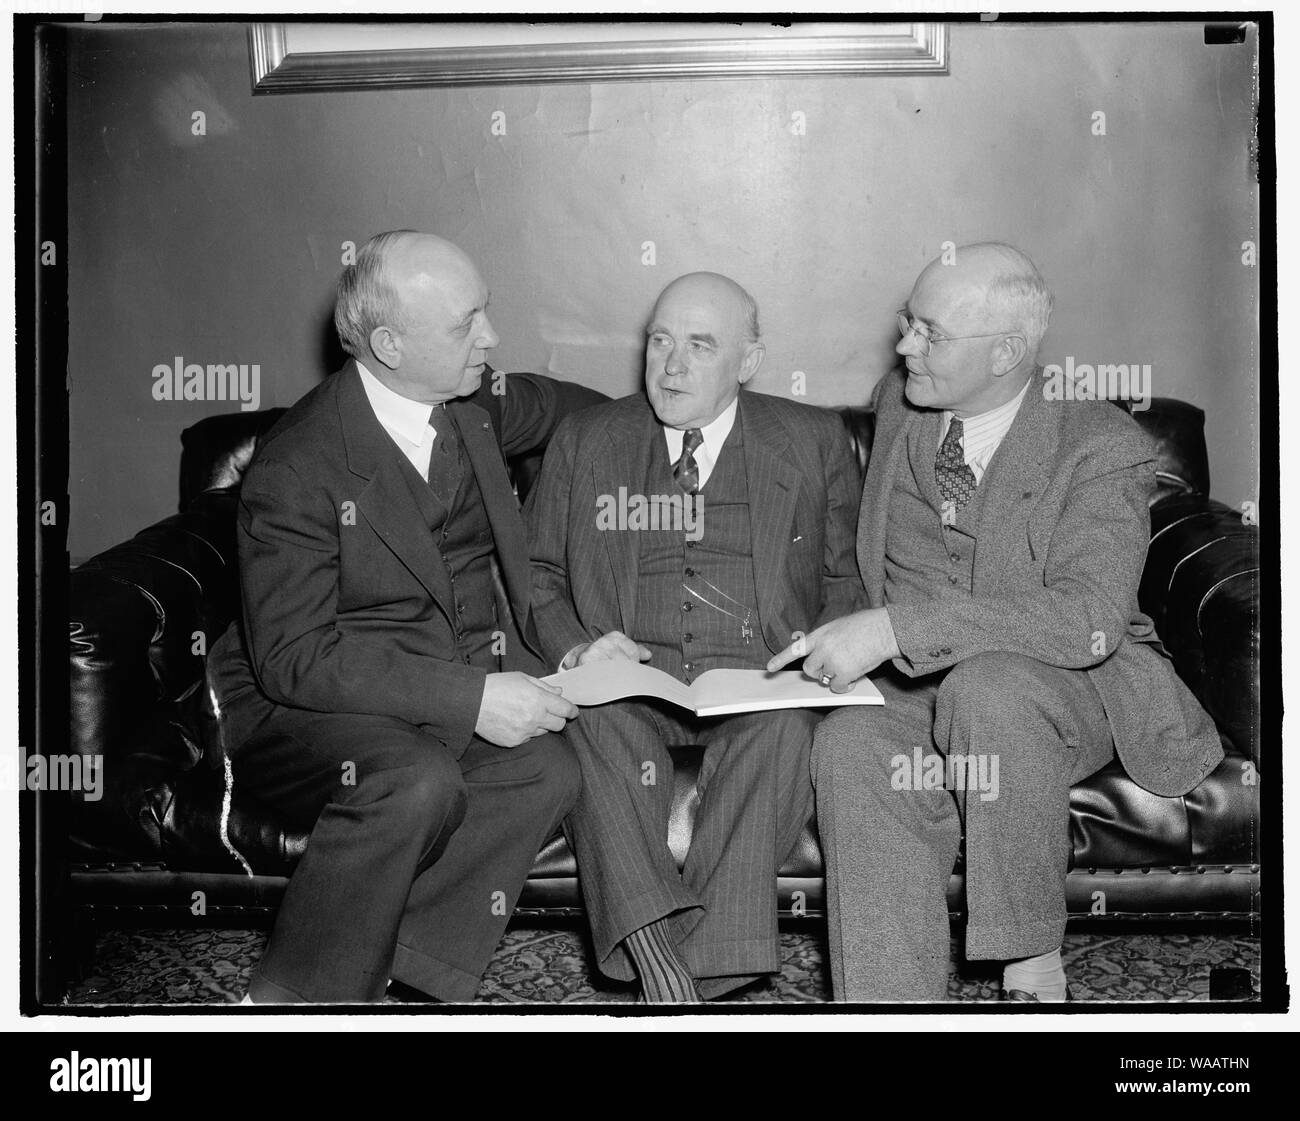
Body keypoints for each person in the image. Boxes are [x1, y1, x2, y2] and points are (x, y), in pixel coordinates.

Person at [769, 242, 1223, 1002]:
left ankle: (1029, 962)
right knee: (851, 741)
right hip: (916, 688)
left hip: (1063, 685)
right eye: (908, 324)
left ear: (1008, 351)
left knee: (989, 689)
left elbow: (1086, 618)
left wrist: (891, 628)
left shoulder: (1099, 445)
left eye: (930, 333)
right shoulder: (899, 401)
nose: (906, 345)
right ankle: (886, 1005)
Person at [207, 230, 582, 1003]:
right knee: (417, 780)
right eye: (465, 324)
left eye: (485, 310)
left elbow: (579, 408)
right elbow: (295, 658)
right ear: (389, 344)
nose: (492, 337)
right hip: (307, 700)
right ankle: (290, 1003)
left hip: (421, 685)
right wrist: (474, 697)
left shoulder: (473, 408)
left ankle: (397, 965)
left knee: (546, 768)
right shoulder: (297, 466)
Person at [525, 272, 864, 1002]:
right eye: (660, 341)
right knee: (589, 717)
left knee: (782, 731)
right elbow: (537, 574)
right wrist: (579, 648)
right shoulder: (587, 440)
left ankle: (679, 982)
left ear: (747, 361)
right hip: (632, 682)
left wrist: (821, 648)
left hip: (760, 680)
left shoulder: (811, 439)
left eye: (700, 346)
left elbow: (847, 581)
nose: (671, 365)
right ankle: (664, 965)